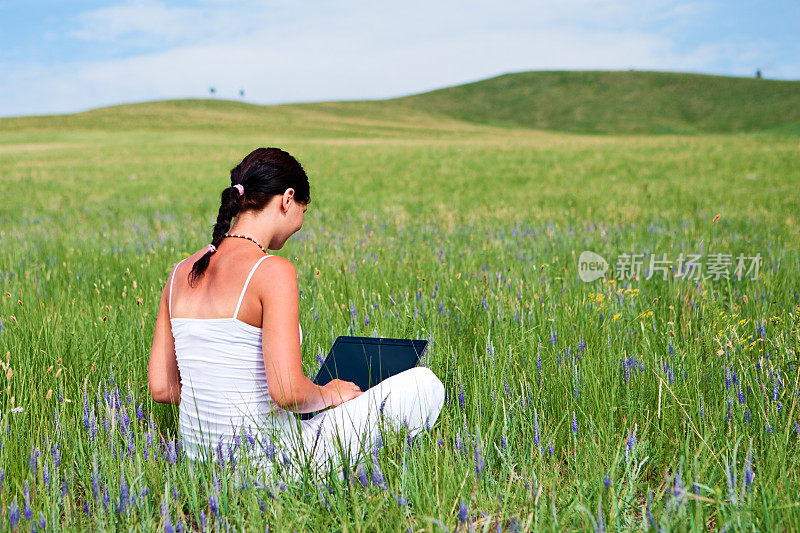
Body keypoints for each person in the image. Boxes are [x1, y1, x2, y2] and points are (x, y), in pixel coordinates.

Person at [147, 147, 445, 482]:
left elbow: (161, 386)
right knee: (425, 385)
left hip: (200, 468)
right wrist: (331, 393)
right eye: (303, 211)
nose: (300, 225)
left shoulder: (180, 272)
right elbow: (287, 393)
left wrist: (226, 397)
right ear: (287, 199)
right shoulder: (271, 270)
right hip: (271, 466)